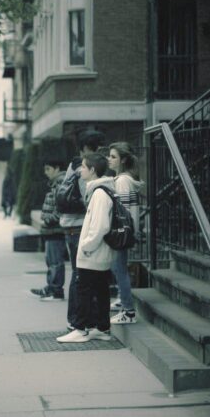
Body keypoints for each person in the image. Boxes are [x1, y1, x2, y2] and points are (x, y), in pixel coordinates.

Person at [57, 153, 117, 343]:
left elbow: (100, 226)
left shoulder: (99, 193)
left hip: (93, 252)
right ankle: (101, 328)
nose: (80, 170)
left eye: (83, 167)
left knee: (84, 289)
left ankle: (80, 329)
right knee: (100, 289)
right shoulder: (101, 191)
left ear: (92, 170)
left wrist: (85, 247)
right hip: (98, 252)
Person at [60, 130, 105, 331]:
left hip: (71, 226)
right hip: (78, 226)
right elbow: (88, 199)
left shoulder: (73, 165)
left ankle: (78, 318)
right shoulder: (82, 169)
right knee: (81, 275)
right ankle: (77, 320)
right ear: (89, 149)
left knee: (79, 274)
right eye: (97, 149)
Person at [106, 142, 143, 324]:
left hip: (121, 233)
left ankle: (128, 311)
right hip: (126, 232)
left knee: (119, 269)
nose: (109, 159)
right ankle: (123, 300)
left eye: (113, 157)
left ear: (123, 160)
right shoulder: (125, 179)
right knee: (119, 268)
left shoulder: (122, 181)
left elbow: (122, 211)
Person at [30, 160, 67, 300]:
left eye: (48, 169)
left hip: (55, 229)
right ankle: (53, 288)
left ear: (57, 168)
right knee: (52, 260)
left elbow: (60, 209)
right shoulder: (57, 182)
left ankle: (55, 290)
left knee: (55, 261)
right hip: (53, 229)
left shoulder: (60, 183)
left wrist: (47, 218)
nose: (46, 173)